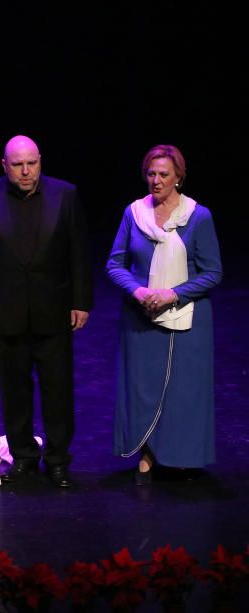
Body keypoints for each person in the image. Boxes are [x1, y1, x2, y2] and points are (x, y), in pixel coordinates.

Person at [0, 135, 92, 488]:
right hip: (6, 310)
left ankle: (57, 459)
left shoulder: (65, 194)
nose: (26, 171)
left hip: (53, 309)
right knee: (14, 389)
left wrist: (80, 301)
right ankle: (23, 455)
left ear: (40, 160)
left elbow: (78, 251)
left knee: (58, 389)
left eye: (32, 163)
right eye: (18, 165)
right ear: (4, 166)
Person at [106, 144, 222, 484]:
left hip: (188, 316)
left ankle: (181, 455)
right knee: (142, 387)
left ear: (179, 178)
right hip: (140, 316)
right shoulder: (134, 214)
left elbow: (212, 272)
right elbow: (115, 263)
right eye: (151, 174)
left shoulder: (198, 217)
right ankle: (146, 451)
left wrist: (173, 293)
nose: (155, 181)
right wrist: (138, 290)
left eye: (163, 175)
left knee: (183, 389)